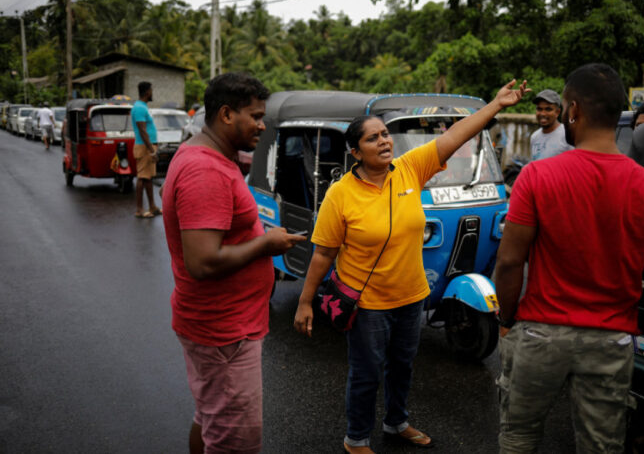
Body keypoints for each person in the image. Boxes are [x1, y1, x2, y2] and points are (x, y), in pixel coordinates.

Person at [294, 79, 531, 454]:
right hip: (368, 304)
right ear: (356, 152)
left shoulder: (409, 169)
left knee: (403, 365)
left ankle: (396, 422)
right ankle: (356, 438)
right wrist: (306, 301)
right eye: (373, 139)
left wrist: (496, 105)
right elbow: (323, 253)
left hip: (411, 297)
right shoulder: (340, 194)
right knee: (366, 373)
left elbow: (456, 135)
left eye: (385, 134)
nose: (384, 141)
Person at [494, 63, 644, 453]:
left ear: (573, 110)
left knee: (519, 436)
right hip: (611, 341)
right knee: (600, 446)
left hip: (540, 332)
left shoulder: (536, 178)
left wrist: (507, 320)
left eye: (563, 107)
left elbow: (510, 261)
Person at [162, 72, 306, 454]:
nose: (262, 125)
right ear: (226, 114)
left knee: (210, 419)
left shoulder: (206, 157)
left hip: (219, 326)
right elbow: (204, 262)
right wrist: (265, 244)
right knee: (233, 443)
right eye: (255, 116)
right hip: (224, 331)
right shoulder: (205, 169)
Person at [131, 81, 161, 218]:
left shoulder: (142, 107)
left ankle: (153, 207)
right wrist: (151, 150)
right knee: (142, 178)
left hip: (148, 147)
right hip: (144, 147)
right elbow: (142, 131)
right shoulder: (139, 108)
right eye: (151, 90)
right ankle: (139, 210)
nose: (152, 93)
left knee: (148, 178)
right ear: (147, 92)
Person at [529, 89, 573, 161]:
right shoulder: (534, 137)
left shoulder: (567, 134)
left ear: (557, 112)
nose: (543, 113)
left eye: (548, 109)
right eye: (539, 109)